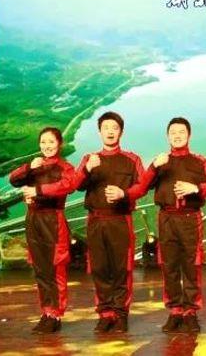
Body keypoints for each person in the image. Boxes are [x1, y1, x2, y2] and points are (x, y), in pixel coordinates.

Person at [129, 117, 206, 333]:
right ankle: (175, 311)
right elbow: (141, 188)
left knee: (191, 266)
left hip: (190, 218)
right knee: (169, 266)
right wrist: (153, 167)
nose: (177, 136)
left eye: (181, 132)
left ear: (189, 135)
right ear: (167, 136)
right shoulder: (160, 161)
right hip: (166, 218)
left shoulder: (200, 161)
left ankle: (190, 312)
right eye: (173, 132)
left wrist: (195, 188)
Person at [71, 111, 146, 333]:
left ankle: (121, 314)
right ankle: (105, 313)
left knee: (122, 268)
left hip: (120, 219)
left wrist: (124, 194)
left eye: (114, 128)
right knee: (100, 268)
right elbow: (75, 185)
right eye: (106, 128)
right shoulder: (89, 159)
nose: (110, 132)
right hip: (95, 220)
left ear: (121, 131)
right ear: (99, 132)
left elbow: (142, 186)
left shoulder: (132, 159)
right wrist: (87, 169)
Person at [9, 127, 75, 333]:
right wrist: (29, 167)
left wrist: (37, 191)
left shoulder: (65, 167)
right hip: (33, 220)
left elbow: (68, 186)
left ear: (59, 144)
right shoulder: (35, 166)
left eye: (51, 142)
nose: (47, 146)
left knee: (55, 269)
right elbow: (13, 180)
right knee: (40, 270)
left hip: (53, 220)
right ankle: (46, 312)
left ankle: (56, 314)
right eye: (43, 142)